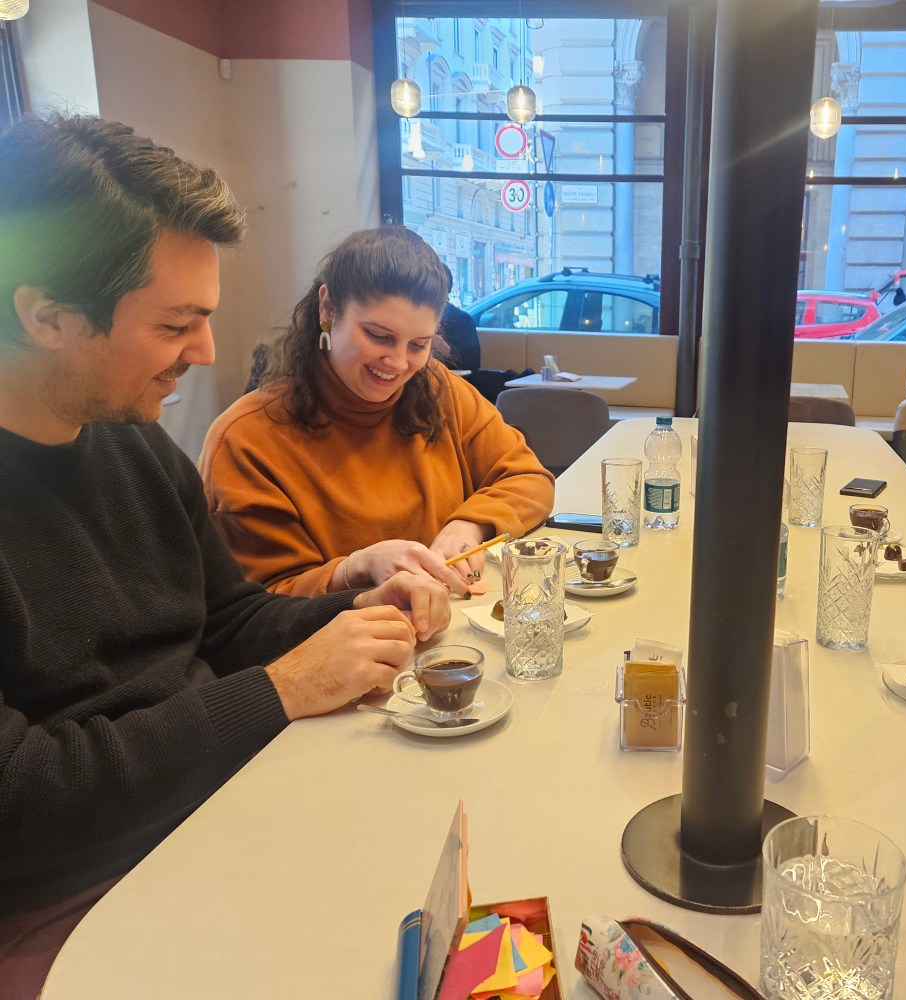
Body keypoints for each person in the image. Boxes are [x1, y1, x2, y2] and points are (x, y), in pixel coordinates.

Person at [0, 115, 450, 991]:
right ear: (46, 314)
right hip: (72, 895)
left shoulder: (130, 442)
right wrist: (282, 691)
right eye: (177, 325)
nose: (205, 353)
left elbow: (229, 618)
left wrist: (355, 611)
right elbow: (19, 799)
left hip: (223, 800)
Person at [200, 227, 555, 598]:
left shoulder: (439, 388)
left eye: (419, 344)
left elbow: (530, 479)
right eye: (378, 336)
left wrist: (470, 524)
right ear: (327, 309)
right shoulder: (245, 440)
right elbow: (256, 608)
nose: (399, 364)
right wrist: (357, 569)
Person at [433, 261, 481, 371]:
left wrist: (443, 347)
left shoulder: (462, 321)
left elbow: (473, 364)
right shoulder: (411, 319)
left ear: (447, 291)